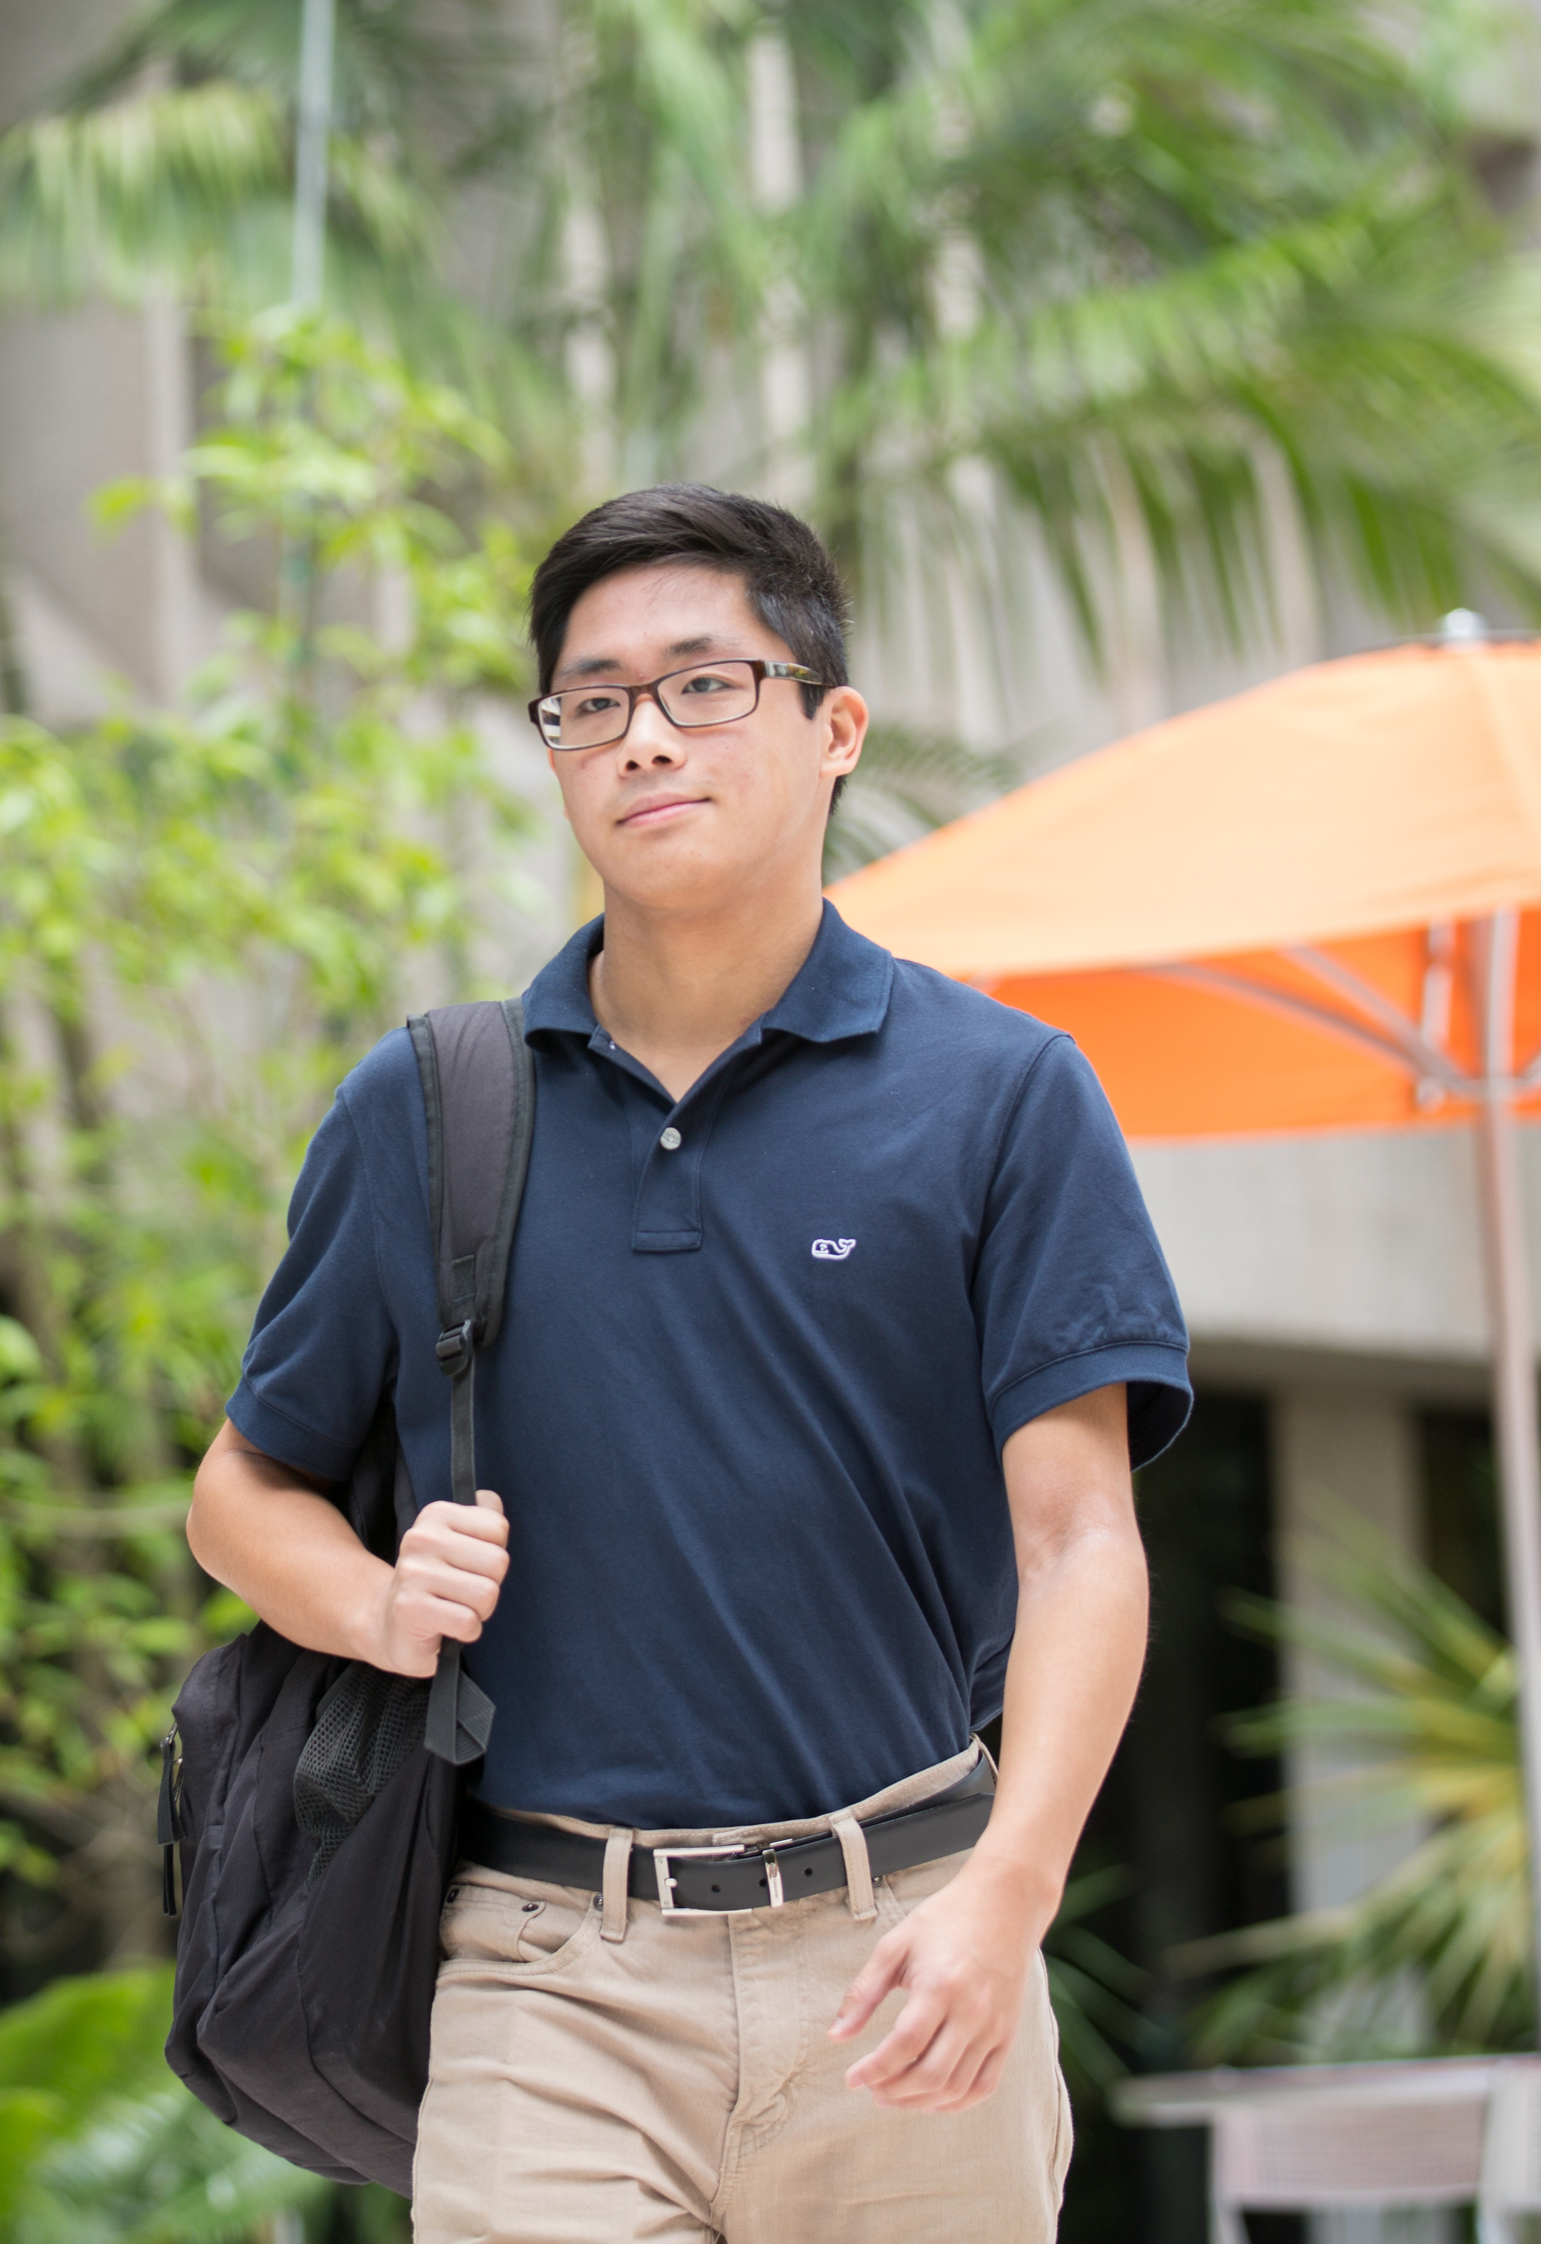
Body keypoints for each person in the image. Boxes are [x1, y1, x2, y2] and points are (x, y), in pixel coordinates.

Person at [183, 486, 1185, 2241]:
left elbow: (1081, 1540)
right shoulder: (430, 1110)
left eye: (705, 684)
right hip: (547, 1964)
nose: (643, 736)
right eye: (593, 701)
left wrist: (1010, 1896)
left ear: (833, 727)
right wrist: (373, 1604)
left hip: (910, 1947)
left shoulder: (1004, 1096)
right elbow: (240, 1488)